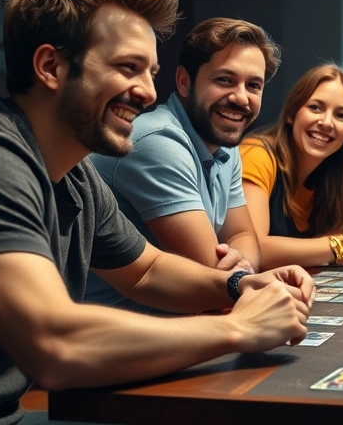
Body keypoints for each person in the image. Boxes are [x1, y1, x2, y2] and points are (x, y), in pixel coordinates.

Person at [0, 0, 313, 425]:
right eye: (128, 68)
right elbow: (54, 345)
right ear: (50, 67)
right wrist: (238, 327)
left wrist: (240, 285)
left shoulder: (75, 173)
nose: (146, 92)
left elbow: (147, 270)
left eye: (151, 71)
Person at [84, 17, 279, 308]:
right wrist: (242, 278)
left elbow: (242, 235)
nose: (241, 98)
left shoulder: (224, 140)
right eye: (225, 80)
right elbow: (211, 278)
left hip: (175, 321)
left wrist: (242, 272)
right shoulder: (156, 141)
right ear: (185, 83)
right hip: (112, 334)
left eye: (253, 86)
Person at [240, 63, 343, 269]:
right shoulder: (256, 154)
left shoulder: (334, 174)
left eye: (341, 115)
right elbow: (252, 249)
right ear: (291, 113)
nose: (327, 122)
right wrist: (341, 246)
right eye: (315, 108)